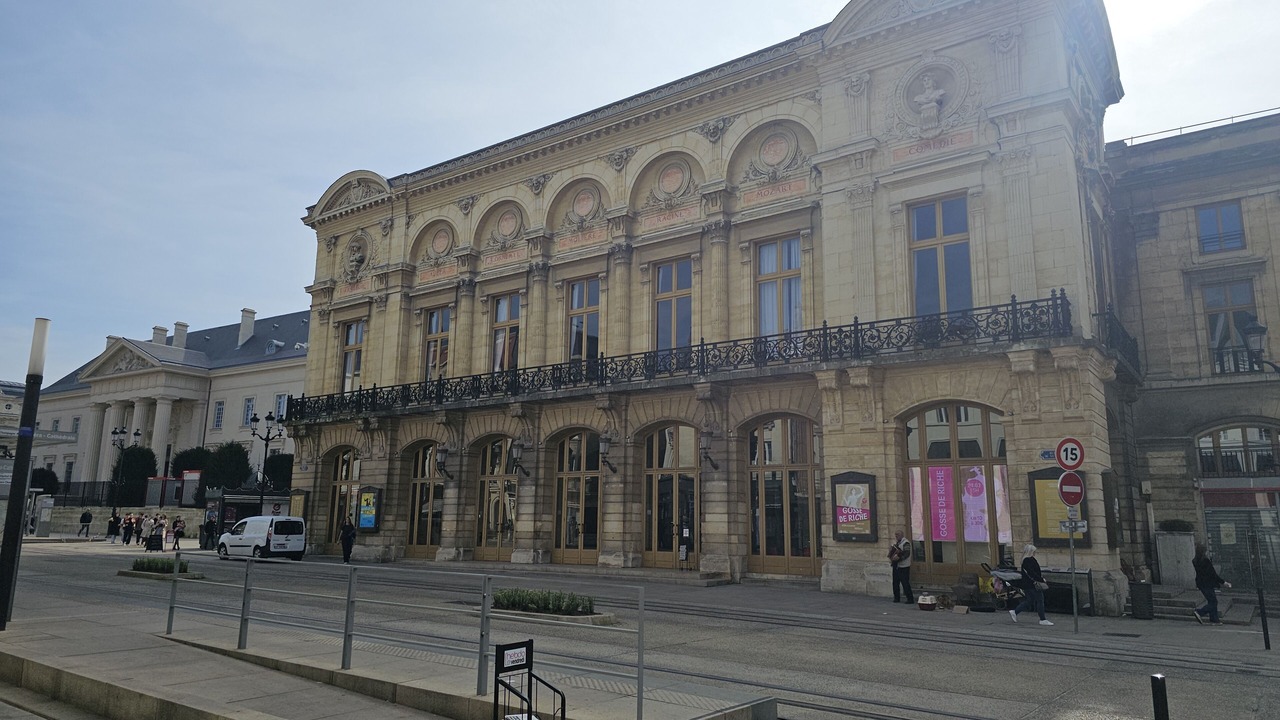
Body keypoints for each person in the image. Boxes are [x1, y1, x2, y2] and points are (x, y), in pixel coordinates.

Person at [1009, 544, 1053, 626]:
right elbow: (1032, 573)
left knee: (1030, 601)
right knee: (1040, 600)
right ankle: (1042, 619)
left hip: (1027, 584)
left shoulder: (1025, 560)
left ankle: (1015, 611)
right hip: (1032, 584)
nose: (1035, 553)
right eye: (1034, 551)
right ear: (1030, 552)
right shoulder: (1028, 560)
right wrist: (1041, 579)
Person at [1192, 543, 1231, 625]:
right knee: (1213, 602)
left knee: (1212, 601)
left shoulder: (1195, 561)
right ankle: (1199, 612)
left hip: (1200, 583)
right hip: (1207, 584)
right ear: (1204, 551)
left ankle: (1214, 619)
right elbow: (1213, 574)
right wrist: (1224, 582)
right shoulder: (1206, 561)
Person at [889, 530, 914, 603]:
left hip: (904, 566)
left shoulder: (906, 543)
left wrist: (899, 558)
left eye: (898, 535)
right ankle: (896, 598)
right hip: (896, 566)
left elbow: (907, 553)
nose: (896, 536)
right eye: (895, 535)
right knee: (895, 583)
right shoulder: (897, 543)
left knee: (905, 583)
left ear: (902, 535)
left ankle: (910, 599)